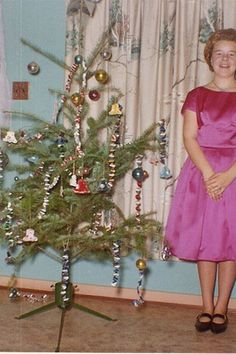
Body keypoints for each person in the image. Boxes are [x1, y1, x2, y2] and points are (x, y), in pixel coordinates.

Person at [165, 28, 236, 334]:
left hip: (233, 175)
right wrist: (209, 174)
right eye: (219, 53)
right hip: (202, 174)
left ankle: (222, 307)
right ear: (210, 57)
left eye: (232, 54)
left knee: (231, 243)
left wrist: (229, 176)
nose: (225, 59)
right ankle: (206, 306)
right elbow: (189, 137)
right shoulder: (197, 95)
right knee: (207, 241)